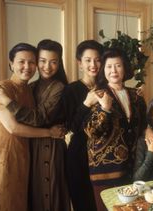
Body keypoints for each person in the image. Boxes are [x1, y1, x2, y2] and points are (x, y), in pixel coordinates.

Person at [0, 39, 71, 211]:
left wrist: (3, 99)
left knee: (27, 199)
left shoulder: (46, 88)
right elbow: (13, 128)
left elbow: (38, 117)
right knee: (0, 198)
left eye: (31, 62)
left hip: (31, 150)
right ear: (11, 64)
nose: (28, 66)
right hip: (5, 151)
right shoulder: (5, 88)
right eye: (42, 61)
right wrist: (49, 132)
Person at [83, 48, 147, 210]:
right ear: (103, 70)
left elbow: (142, 125)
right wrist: (105, 109)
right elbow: (92, 132)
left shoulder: (136, 95)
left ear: (124, 68)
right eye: (109, 66)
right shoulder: (97, 95)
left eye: (118, 65)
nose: (113, 70)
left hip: (132, 166)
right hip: (105, 169)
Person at [61, 40, 103, 211]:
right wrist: (86, 103)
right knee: (83, 204)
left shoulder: (108, 88)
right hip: (79, 156)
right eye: (88, 60)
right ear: (80, 63)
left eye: (97, 59)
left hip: (104, 156)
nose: (93, 64)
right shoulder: (70, 90)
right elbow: (70, 126)